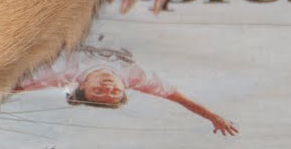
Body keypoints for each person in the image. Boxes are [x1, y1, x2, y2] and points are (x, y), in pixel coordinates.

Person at [15, 45, 237, 135]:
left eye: (98, 92)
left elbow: (17, 86)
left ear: (82, 86)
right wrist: (212, 116)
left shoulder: (63, 73)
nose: (108, 88)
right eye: (114, 93)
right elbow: (177, 97)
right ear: (124, 89)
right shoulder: (137, 78)